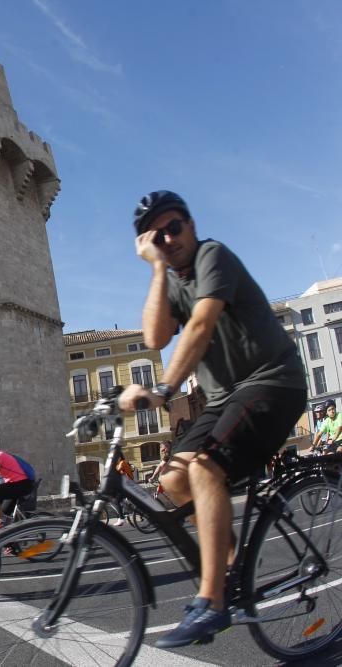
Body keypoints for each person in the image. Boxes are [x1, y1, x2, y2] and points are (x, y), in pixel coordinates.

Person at [118, 190, 306, 648]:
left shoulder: (212, 256)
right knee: (173, 480)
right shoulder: (174, 275)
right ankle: (230, 566)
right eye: (157, 234)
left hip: (272, 381)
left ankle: (213, 602)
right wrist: (158, 269)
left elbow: (200, 327)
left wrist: (163, 390)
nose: (168, 237)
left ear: (191, 224)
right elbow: (156, 336)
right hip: (225, 399)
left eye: (174, 227)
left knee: (203, 466)